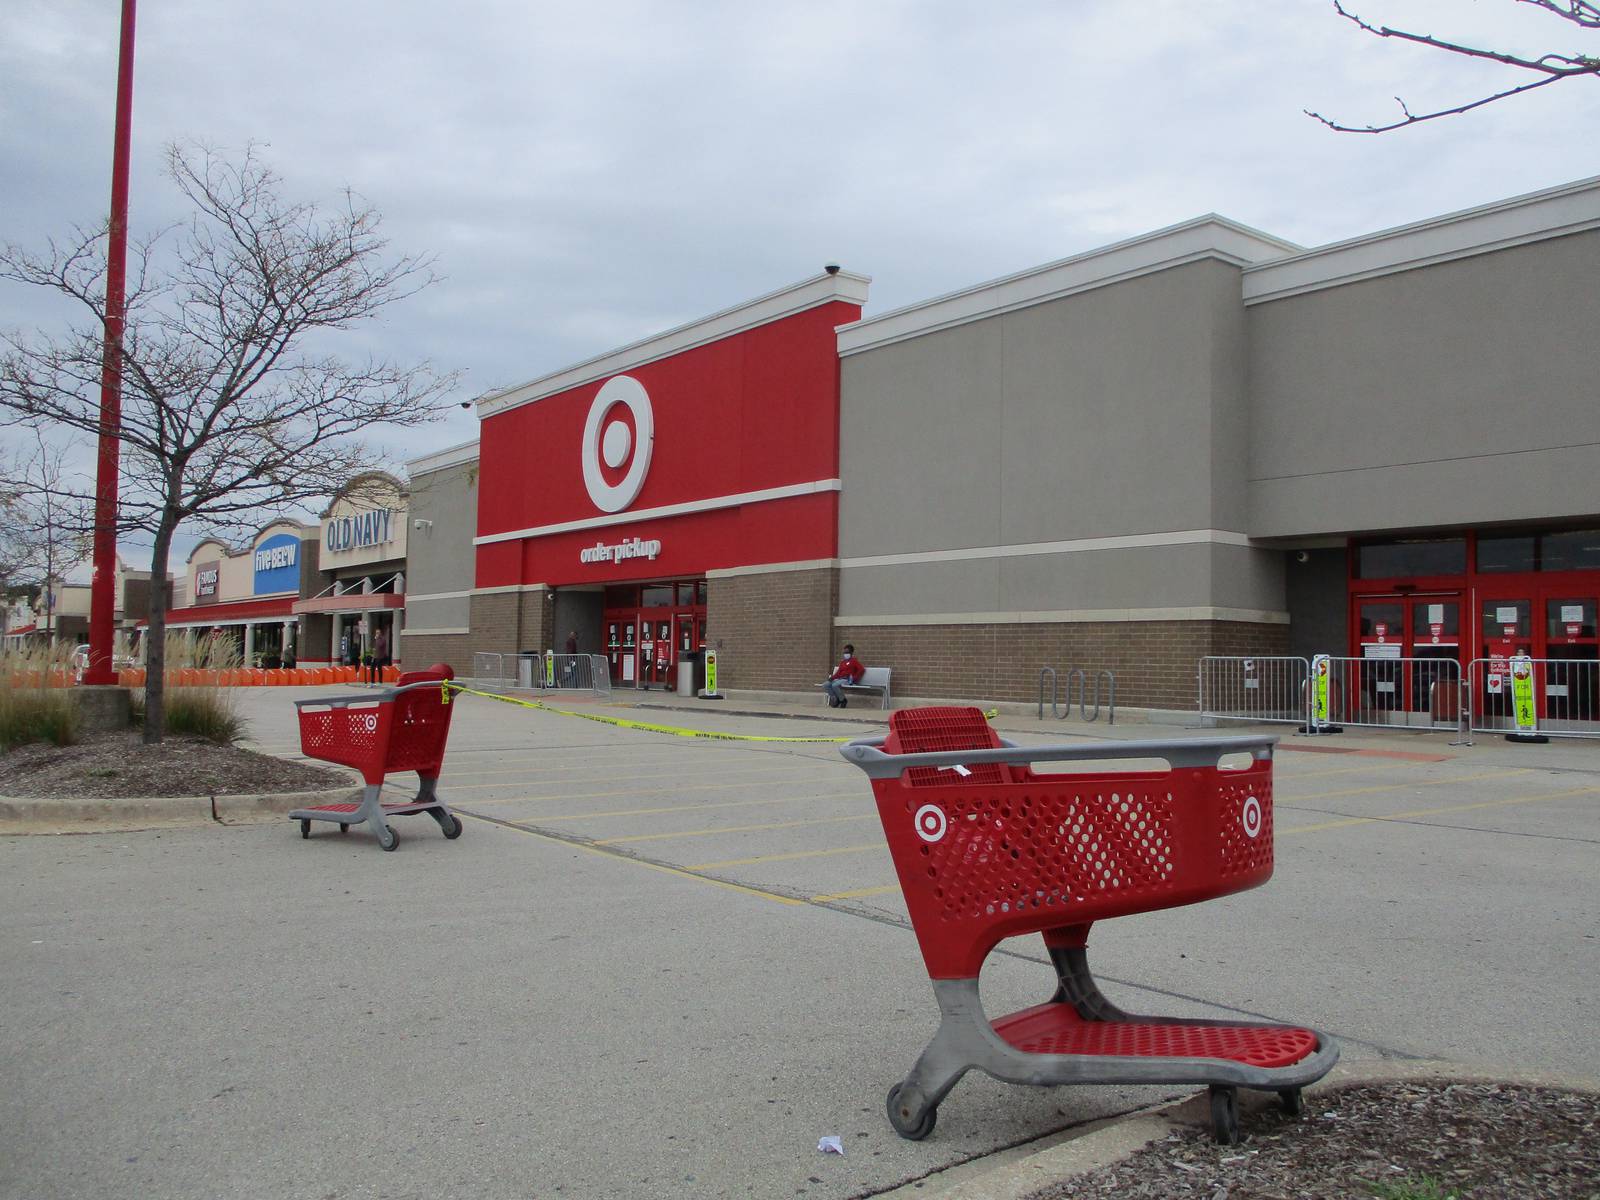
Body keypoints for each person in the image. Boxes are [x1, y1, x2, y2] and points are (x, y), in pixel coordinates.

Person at [824, 644, 865, 708]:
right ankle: (836, 698)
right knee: (826, 684)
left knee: (835, 685)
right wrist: (832, 678)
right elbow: (838, 673)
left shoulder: (854, 661)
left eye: (847, 652)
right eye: (844, 652)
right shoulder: (843, 662)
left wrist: (854, 678)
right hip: (840, 679)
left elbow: (861, 669)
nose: (845, 654)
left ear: (851, 653)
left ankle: (843, 700)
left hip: (847, 679)